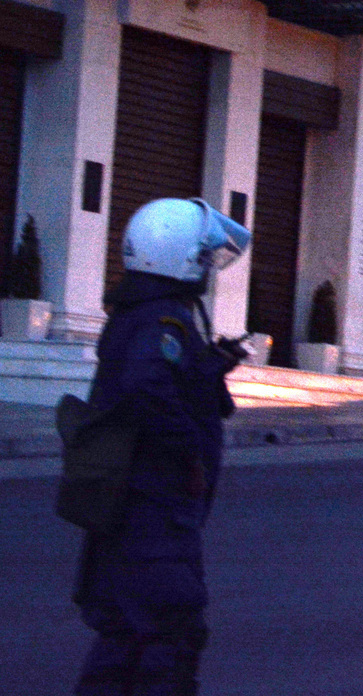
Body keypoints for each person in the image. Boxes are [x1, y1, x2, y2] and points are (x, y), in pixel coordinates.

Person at [73, 198, 251, 696]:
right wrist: (189, 454)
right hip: (154, 504)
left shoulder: (147, 313)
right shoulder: (161, 320)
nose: (208, 268)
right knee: (169, 631)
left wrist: (213, 363)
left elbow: (168, 382)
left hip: (142, 502)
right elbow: (147, 389)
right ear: (179, 256)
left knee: (129, 633)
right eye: (202, 256)